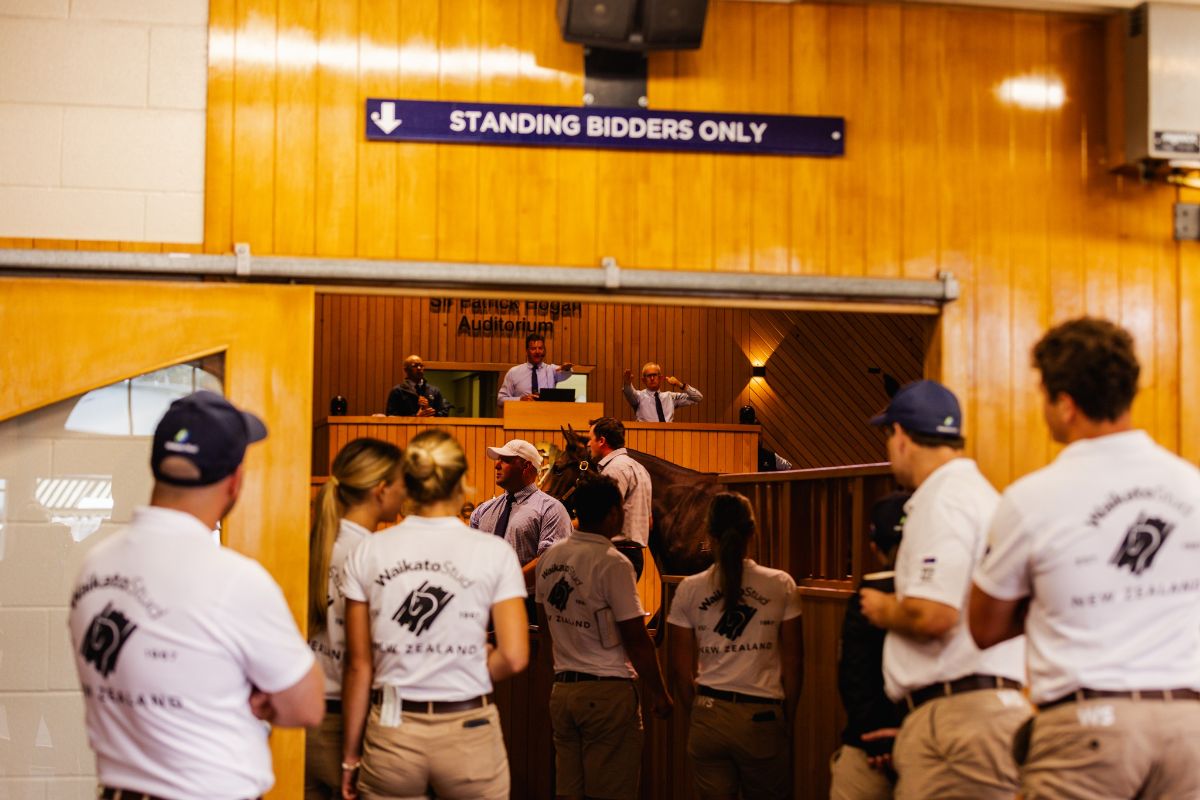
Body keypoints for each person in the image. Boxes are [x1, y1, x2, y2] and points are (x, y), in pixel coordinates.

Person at [970, 317, 1200, 800]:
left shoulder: (1033, 498)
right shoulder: (1191, 486)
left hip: (1089, 727)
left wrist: (1054, 603)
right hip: (1188, 728)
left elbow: (985, 628)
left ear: (1066, 404)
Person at [67, 391, 324, 800]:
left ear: (157, 468)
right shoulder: (235, 580)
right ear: (235, 481)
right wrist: (248, 693)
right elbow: (306, 707)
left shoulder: (95, 565)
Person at [859, 380, 1029, 800]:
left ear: (900, 435)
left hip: (958, 718)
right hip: (978, 708)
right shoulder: (979, 495)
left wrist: (884, 608)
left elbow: (933, 614)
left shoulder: (943, 501)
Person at [340, 429, 529, 800]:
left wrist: (349, 757)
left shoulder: (369, 550)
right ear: (461, 482)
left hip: (393, 728)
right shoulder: (494, 553)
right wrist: (467, 668)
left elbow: (358, 667)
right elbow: (514, 656)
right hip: (469, 728)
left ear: (407, 483)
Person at [535, 473, 673, 800]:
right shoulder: (613, 563)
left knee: (569, 792)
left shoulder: (550, 558)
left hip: (563, 691)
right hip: (606, 691)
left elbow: (545, 626)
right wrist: (660, 693)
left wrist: (555, 678)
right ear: (612, 513)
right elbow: (635, 638)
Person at [667, 492, 803, 800]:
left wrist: (697, 713)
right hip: (762, 717)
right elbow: (795, 663)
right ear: (752, 532)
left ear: (709, 534)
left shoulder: (689, 589)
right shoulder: (780, 584)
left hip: (709, 714)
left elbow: (679, 669)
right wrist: (787, 718)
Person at [305, 437, 404, 800]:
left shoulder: (315, 543)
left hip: (302, 717)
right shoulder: (374, 555)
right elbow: (365, 661)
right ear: (381, 489)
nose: (406, 493)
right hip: (349, 720)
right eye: (402, 482)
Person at [829, 492, 910, 800]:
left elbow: (855, 672)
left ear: (874, 546)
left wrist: (873, 734)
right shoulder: (945, 591)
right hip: (931, 739)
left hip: (868, 748)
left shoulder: (867, 594)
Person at [470, 438, 572, 585]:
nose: (496, 465)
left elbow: (550, 562)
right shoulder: (482, 511)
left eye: (505, 460)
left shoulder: (551, 509)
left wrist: (506, 587)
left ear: (526, 466)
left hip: (529, 597)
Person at [587, 416, 652, 575]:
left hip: (616, 553)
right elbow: (649, 521)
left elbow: (603, 515)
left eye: (590, 439)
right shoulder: (640, 468)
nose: (588, 444)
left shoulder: (615, 469)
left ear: (601, 441)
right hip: (632, 553)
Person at [497, 332, 574, 402]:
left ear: (544, 350)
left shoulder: (551, 370)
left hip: (546, 412)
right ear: (527, 351)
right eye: (533, 349)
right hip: (522, 412)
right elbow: (500, 399)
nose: (537, 352)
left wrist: (567, 369)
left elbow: (567, 374)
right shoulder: (513, 372)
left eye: (540, 348)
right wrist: (520, 399)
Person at [622, 362, 702, 422]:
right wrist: (627, 384)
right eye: (649, 376)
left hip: (669, 436)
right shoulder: (638, 396)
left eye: (654, 375)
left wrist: (680, 384)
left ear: (660, 378)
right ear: (643, 380)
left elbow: (698, 398)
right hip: (646, 436)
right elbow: (629, 393)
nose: (652, 378)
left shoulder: (670, 397)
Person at [386, 354, 450, 417]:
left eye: (421, 365)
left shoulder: (434, 391)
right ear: (406, 370)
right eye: (415, 366)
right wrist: (416, 417)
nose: (419, 368)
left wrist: (431, 413)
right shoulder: (398, 391)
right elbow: (391, 416)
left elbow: (443, 414)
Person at [738, 405, 793, 471]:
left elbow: (789, 468)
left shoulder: (770, 456)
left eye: (758, 434)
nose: (756, 437)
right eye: (749, 433)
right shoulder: (734, 455)